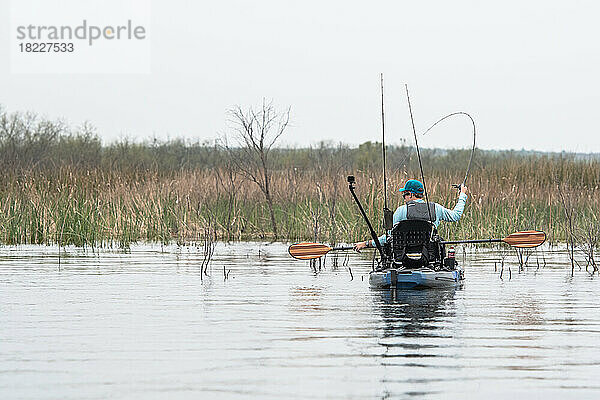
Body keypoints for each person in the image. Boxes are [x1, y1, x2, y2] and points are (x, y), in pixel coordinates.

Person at [353, 179, 468, 251]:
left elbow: (388, 238)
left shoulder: (400, 211)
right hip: (428, 256)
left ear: (412, 194)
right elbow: (455, 216)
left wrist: (366, 243)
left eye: (405, 195)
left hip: (403, 257)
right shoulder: (436, 208)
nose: (404, 198)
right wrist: (462, 194)